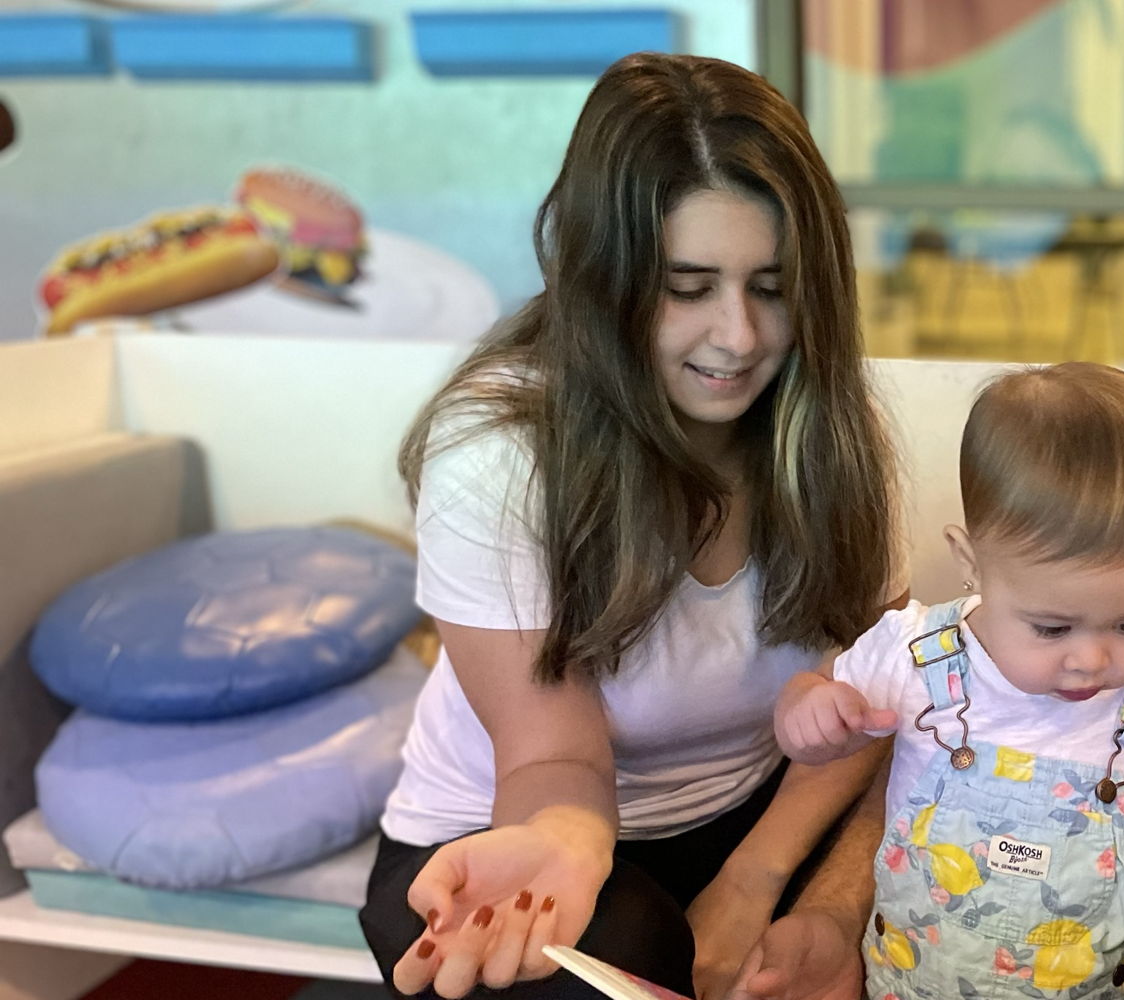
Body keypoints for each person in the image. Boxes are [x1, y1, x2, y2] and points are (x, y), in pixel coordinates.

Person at [357, 53, 902, 1000]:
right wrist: (560, 844)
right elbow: (553, 754)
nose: (739, 336)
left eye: (771, 287)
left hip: (751, 814)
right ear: (602, 280)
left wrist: (766, 884)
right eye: (688, 288)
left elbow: (881, 692)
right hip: (517, 828)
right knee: (625, 952)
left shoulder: (823, 427)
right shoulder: (497, 449)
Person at [774, 364, 1124, 998]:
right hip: (907, 983)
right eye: (1052, 628)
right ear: (971, 563)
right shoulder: (916, 654)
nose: (1092, 659)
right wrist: (809, 714)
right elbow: (809, 698)